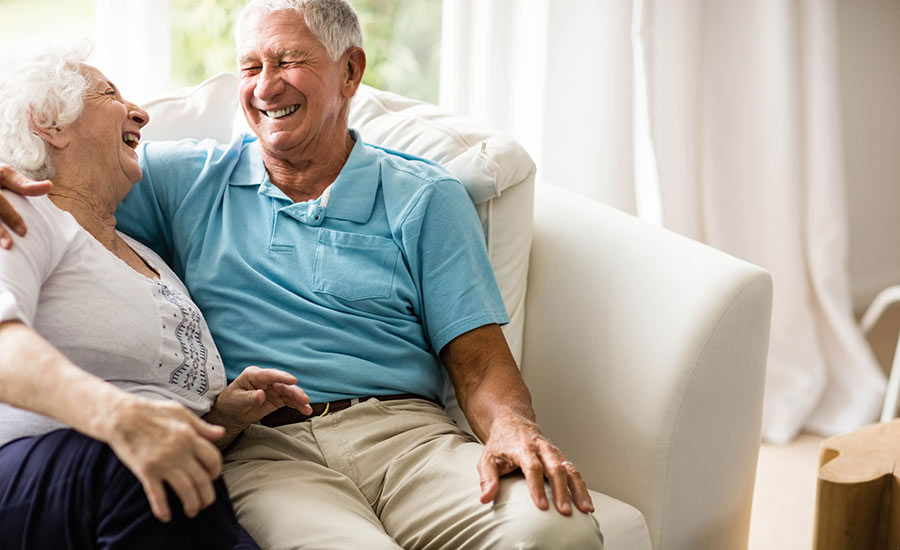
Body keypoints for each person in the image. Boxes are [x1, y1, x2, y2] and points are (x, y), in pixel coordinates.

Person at [0, 1, 605, 548]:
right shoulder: (178, 181)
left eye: (288, 61)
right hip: (270, 446)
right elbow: (60, 177)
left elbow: (478, 361)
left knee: (554, 532)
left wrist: (513, 429)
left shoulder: (426, 196)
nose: (266, 86)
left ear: (350, 71)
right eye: (250, 67)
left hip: (407, 437)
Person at [0, 48, 315, 550]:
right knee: (149, 473)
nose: (141, 113)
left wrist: (222, 419)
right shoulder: (20, 214)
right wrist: (118, 418)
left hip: (140, 483)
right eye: (110, 95)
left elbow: (161, 411)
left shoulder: (149, 256)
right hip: (32, 465)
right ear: (49, 124)